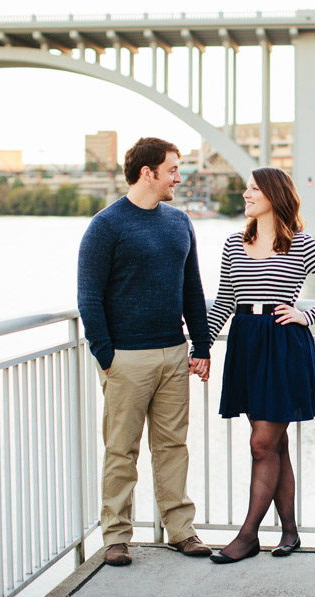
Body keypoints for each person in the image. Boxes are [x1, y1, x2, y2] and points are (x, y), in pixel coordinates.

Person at [203, 167, 315, 564]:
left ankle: (248, 535)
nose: (245, 194)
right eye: (247, 188)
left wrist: (309, 314)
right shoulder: (234, 244)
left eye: (254, 189)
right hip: (247, 345)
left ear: (274, 194)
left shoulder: (301, 244)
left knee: (261, 444)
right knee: (275, 444)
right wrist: (199, 345)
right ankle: (290, 532)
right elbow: (223, 302)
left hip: (283, 347)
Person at [77, 137, 213, 567]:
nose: (179, 177)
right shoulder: (106, 225)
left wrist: (202, 344)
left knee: (174, 446)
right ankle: (116, 536)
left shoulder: (179, 222)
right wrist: (106, 355)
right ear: (147, 173)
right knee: (122, 450)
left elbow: (193, 290)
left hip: (174, 354)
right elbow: (88, 297)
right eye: (173, 169)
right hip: (126, 359)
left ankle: (180, 531)